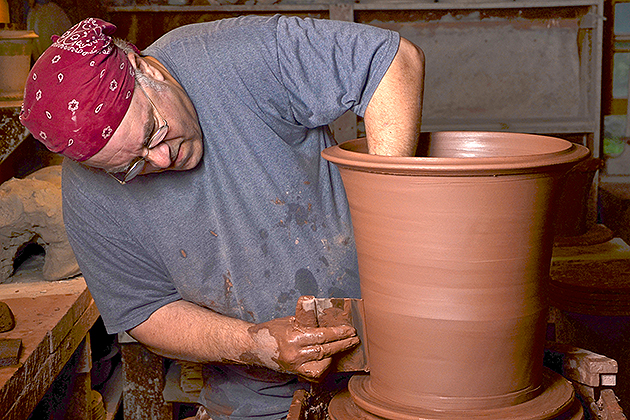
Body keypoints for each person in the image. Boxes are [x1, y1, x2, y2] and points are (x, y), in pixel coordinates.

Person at [20, 15, 424, 419]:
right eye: (131, 166)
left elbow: (391, 62)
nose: (161, 160)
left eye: (154, 133)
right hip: (258, 389)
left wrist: (388, 231)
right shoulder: (88, 191)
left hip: (406, 350)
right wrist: (254, 345)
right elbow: (145, 313)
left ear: (143, 68)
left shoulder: (230, 56)